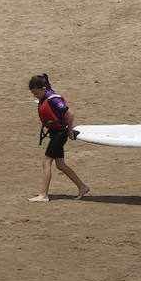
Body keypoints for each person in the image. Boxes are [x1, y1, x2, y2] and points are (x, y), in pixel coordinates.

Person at [28, 74, 89, 202]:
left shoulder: (53, 99)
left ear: (44, 89)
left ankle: (43, 195)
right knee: (60, 165)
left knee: (46, 162)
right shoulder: (46, 97)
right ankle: (82, 187)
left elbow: (70, 113)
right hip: (55, 133)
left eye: (36, 93)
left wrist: (70, 132)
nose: (35, 96)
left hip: (60, 134)